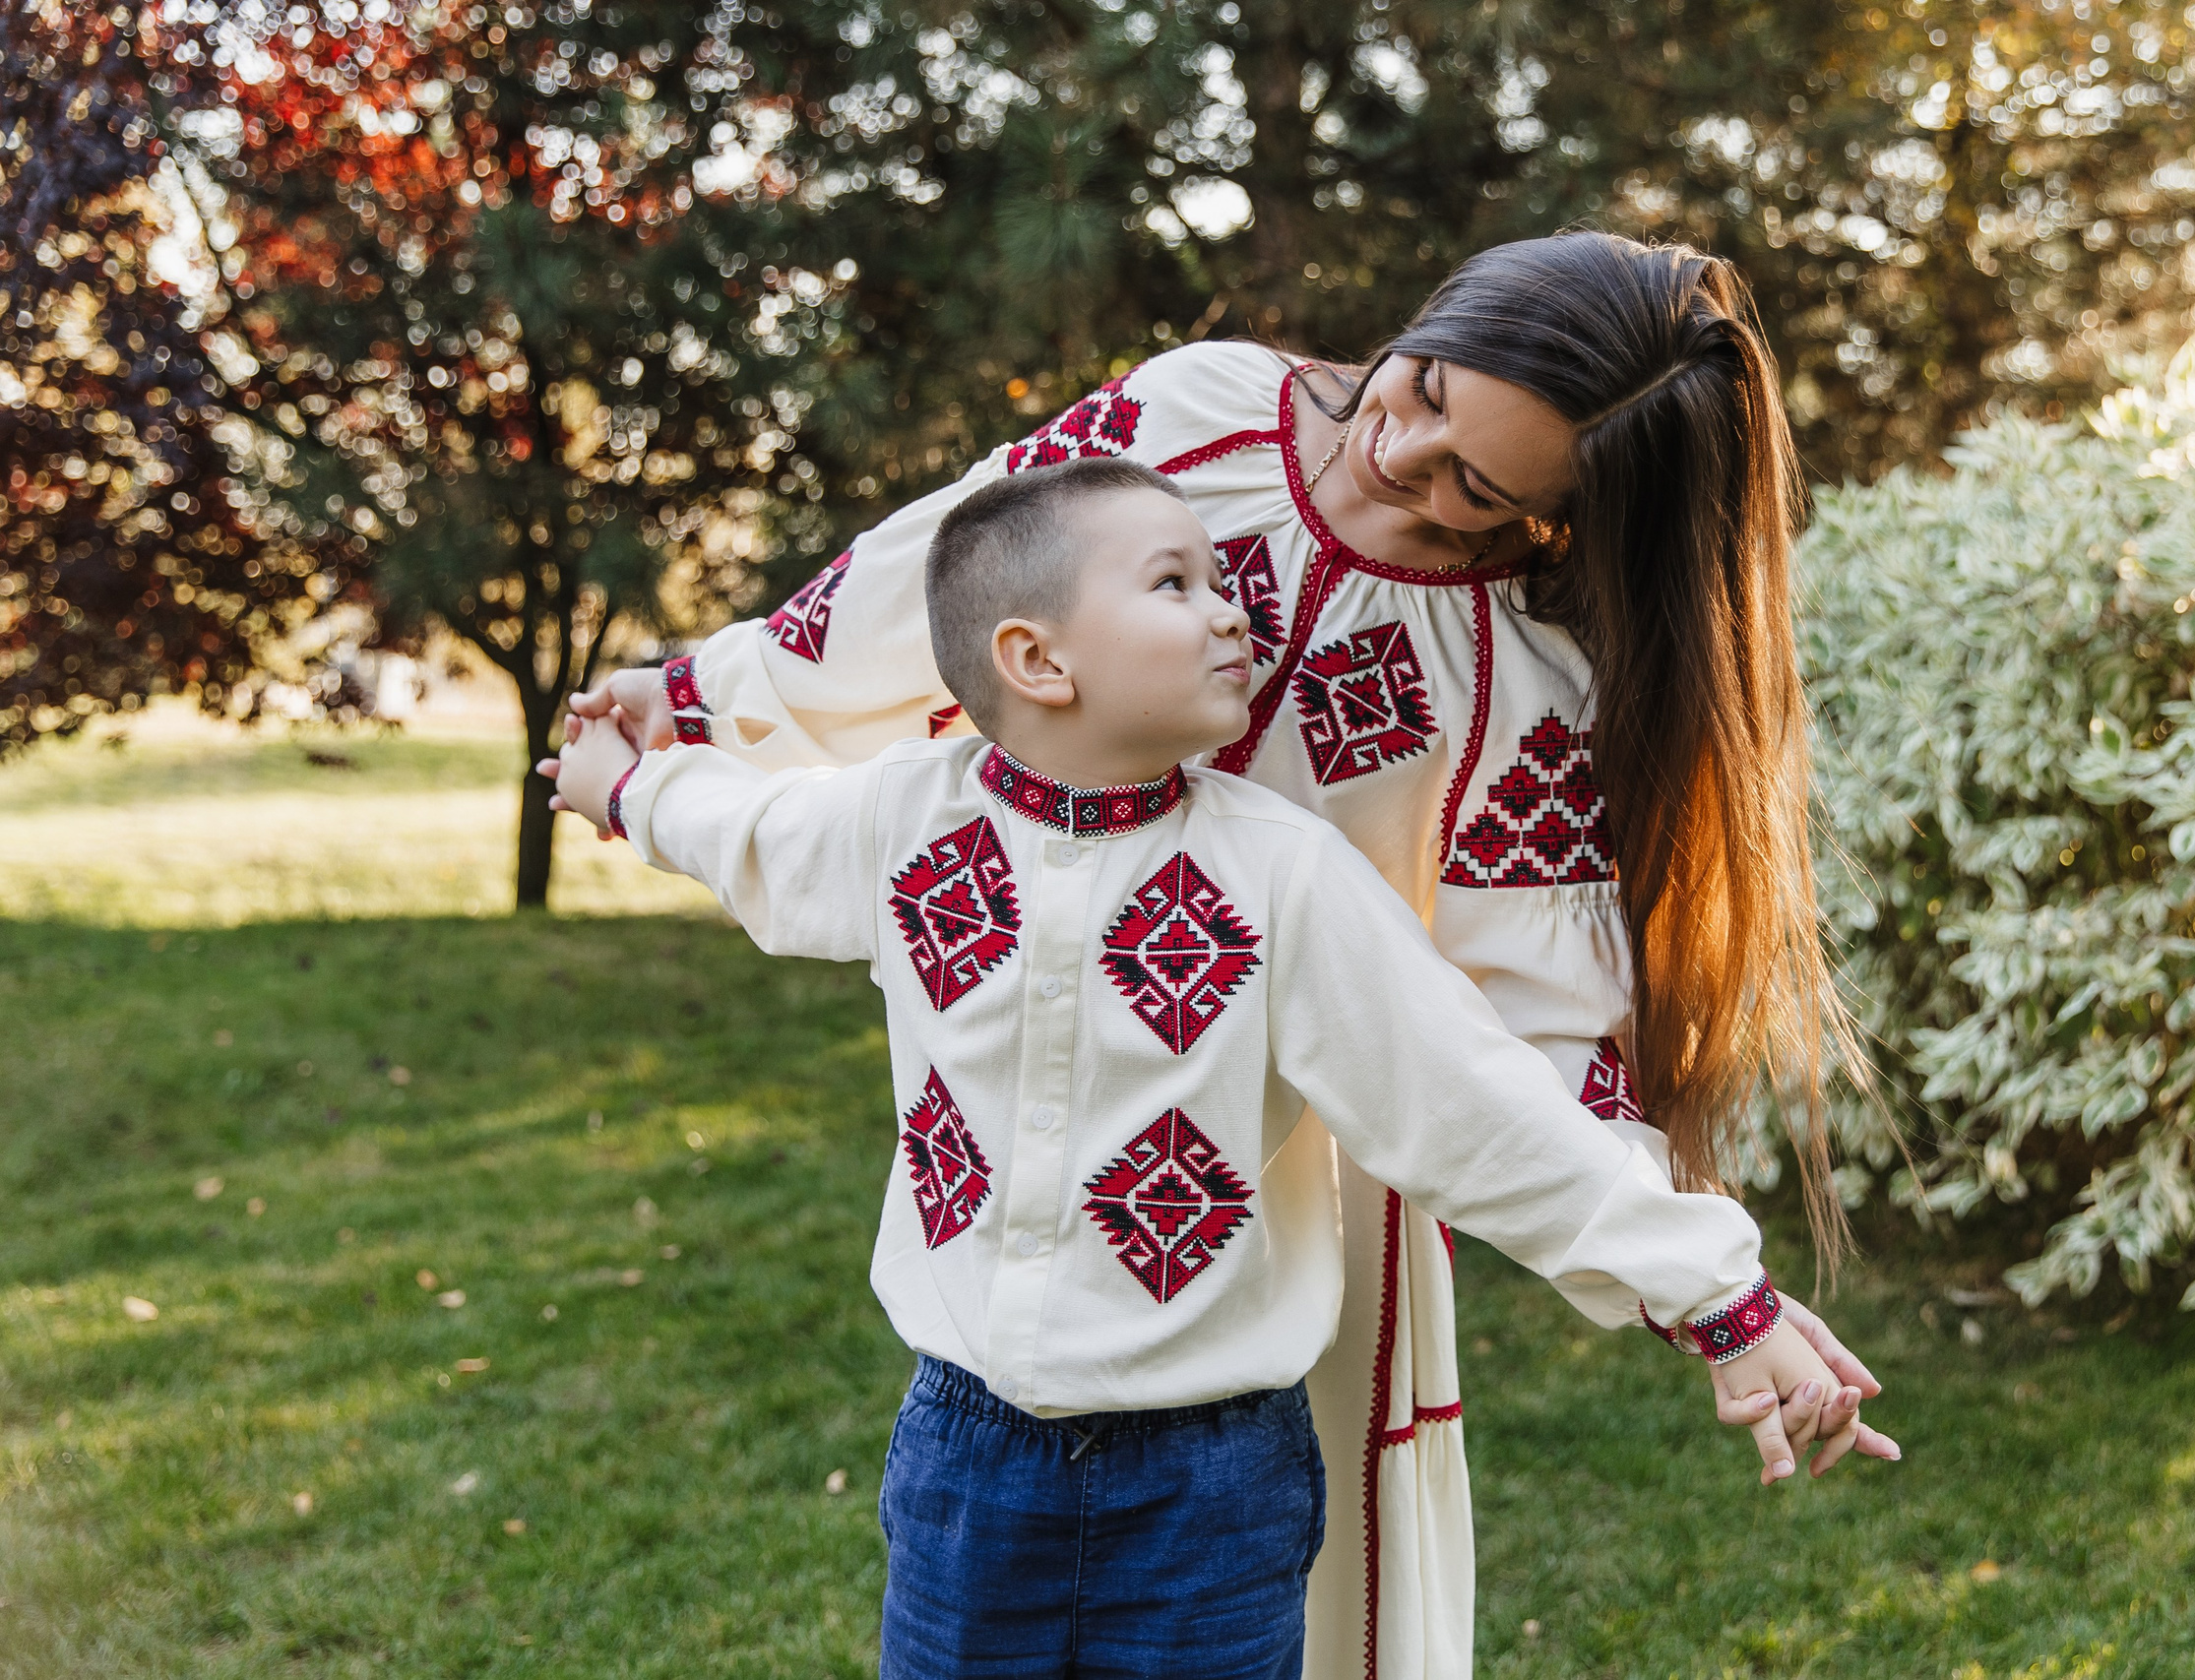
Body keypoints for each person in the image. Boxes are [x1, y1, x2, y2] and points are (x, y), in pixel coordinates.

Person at [573, 233, 1900, 1678]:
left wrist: (1706, 1294)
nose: (1404, 457)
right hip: (1012, 1242)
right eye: (1428, 388)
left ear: (1564, 525)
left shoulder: (1514, 688)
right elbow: (960, 555)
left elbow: (1520, 1061)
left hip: (1283, 1230)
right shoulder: (1196, 418)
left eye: (1483, 490)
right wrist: (707, 697)